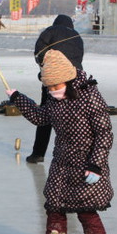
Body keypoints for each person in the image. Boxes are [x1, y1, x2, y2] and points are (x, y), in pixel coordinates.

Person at [6, 50, 113, 234]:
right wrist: (18, 98)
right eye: (49, 87)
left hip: (87, 163)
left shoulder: (89, 95)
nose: (53, 91)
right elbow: (40, 117)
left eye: (57, 86)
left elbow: (104, 133)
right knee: (55, 207)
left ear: (69, 79)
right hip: (62, 162)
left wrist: (96, 165)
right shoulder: (55, 101)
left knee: (86, 209)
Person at [27, 14, 84, 163]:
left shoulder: (50, 31)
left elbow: (39, 51)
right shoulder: (77, 36)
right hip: (74, 81)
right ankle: (76, 155)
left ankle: (38, 154)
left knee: (45, 115)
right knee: (73, 118)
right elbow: (79, 58)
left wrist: (46, 69)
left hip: (54, 81)